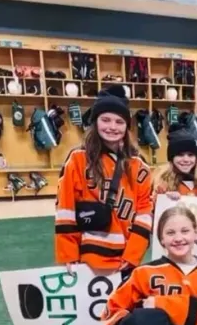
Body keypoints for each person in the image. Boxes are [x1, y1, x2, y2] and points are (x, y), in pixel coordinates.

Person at [55, 84, 153, 275]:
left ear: (127, 126)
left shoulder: (139, 165)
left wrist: (133, 255)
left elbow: (144, 213)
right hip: (86, 260)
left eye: (119, 122)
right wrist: (68, 253)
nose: (112, 127)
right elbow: (65, 209)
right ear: (95, 122)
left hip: (125, 261)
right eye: (105, 120)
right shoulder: (78, 159)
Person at [154, 124, 197, 198]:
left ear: (196, 158)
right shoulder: (161, 186)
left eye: (190, 155)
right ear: (171, 158)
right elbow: (151, 207)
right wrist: (166, 200)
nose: (186, 160)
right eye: (180, 155)